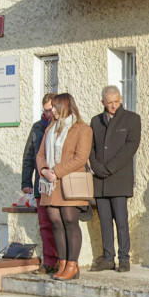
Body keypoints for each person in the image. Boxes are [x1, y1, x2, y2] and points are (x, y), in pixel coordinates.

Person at [36, 93, 93, 281]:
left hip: (69, 182)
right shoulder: (49, 129)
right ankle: (62, 263)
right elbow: (40, 154)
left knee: (69, 221)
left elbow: (80, 158)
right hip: (51, 184)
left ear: (66, 107)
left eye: (55, 107)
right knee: (55, 222)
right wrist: (44, 170)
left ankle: (72, 265)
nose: (52, 110)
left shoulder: (82, 129)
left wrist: (56, 171)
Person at [89, 85, 142, 272]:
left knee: (121, 220)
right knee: (104, 221)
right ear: (103, 102)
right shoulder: (95, 121)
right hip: (100, 180)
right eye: (109, 103)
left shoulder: (132, 119)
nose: (113, 106)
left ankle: (124, 258)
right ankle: (108, 258)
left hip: (119, 178)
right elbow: (91, 148)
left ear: (121, 99)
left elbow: (130, 147)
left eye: (116, 102)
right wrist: (96, 167)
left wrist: (109, 168)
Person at [21, 93, 58, 273]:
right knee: (45, 225)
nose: (48, 114)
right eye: (45, 111)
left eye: (50, 110)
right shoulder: (37, 127)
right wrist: (26, 181)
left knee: (59, 224)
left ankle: (64, 260)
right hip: (40, 185)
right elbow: (29, 156)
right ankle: (49, 261)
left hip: (58, 184)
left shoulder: (62, 127)